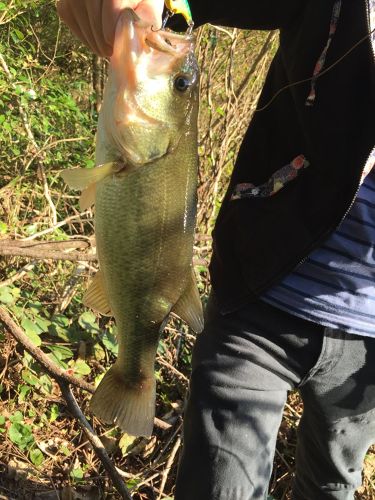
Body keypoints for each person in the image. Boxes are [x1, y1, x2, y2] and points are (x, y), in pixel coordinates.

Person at [57, 1, 375, 498]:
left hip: (369, 348)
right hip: (261, 295)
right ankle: (133, 374)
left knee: (334, 485)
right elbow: (182, 6)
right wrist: (163, 7)